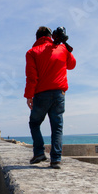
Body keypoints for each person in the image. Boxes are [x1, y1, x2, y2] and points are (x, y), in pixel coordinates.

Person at [24, 26, 76, 169]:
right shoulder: (61, 48)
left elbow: (31, 77)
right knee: (57, 127)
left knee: (34, 123)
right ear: (50, 36)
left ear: (37, 38)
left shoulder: (32, 52)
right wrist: (63, 45)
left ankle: (39, 152)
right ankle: (56, 160)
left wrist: (29, 96)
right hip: (59, 94)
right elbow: (72, 65)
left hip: (41, 94)